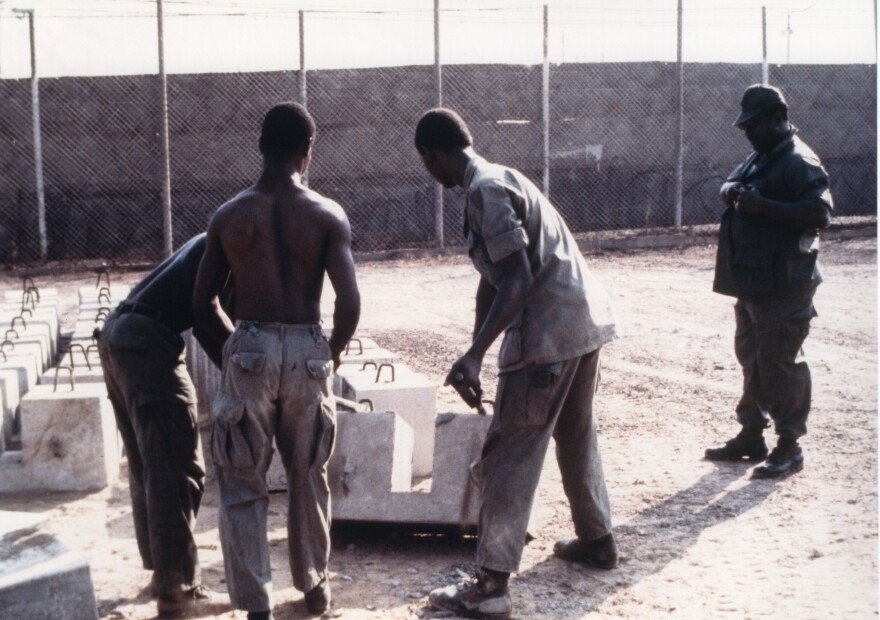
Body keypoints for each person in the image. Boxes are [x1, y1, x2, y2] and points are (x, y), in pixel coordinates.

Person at [414, 108, 618, 619]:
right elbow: (496, 276)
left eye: (426, 163)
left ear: (433, 156)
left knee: (509, 454)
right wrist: (473, 351)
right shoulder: (502, 176)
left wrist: (478, 353)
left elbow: (519, 280)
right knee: (575, 434)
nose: (429, 172)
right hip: (581, 325)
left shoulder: (483, 190)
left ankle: (491, 587)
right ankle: (597, 539)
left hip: (547, 335)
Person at [192, 102, 360, 620]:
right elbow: (348, 303)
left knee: (242, 478)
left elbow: (203, 305)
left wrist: (236, 353)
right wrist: (323, 354)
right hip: (309, 346)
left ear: (260, 147)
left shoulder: (230, 215)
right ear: (308, 151)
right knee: (308, 472)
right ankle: (313, 586)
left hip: (250, 347)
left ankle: (256, 604)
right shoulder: (327, 214)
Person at [97, 233, 231, 618]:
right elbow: (210, 315)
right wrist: (249, 380)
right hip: (146, 342)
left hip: (120, 335)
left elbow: (211, 320)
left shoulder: (216, 237)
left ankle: (165, 573)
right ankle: (179, 592)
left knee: (150, 465)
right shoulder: (237, 243)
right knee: (177, 466)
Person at [706, 83, 833, 479]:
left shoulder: (799, 161)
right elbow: (729, 184)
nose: (747, 132)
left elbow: (820, 214)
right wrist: (733, 191)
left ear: (778, 119)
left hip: (786, 283)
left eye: (754, 125)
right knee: (752, 358)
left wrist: (764, 206)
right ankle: (751, 434)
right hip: (755, 281)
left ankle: (789, 445)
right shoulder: (762, 155)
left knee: (780, 363)